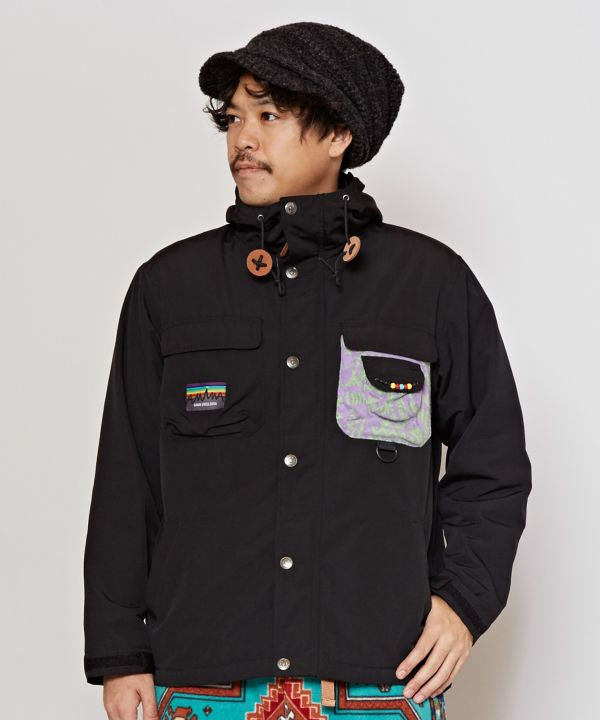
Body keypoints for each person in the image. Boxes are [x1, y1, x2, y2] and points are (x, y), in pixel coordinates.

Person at [83, 22, 532, 720]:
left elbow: (492, 466)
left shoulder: (431, 286)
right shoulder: (169, 290)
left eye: (268, 116)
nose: (242, 138)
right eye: (234, 118)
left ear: (338, 133)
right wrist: (120, 655)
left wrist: (464, 603)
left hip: (382, 679)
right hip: (203, 679)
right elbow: (127, 480)